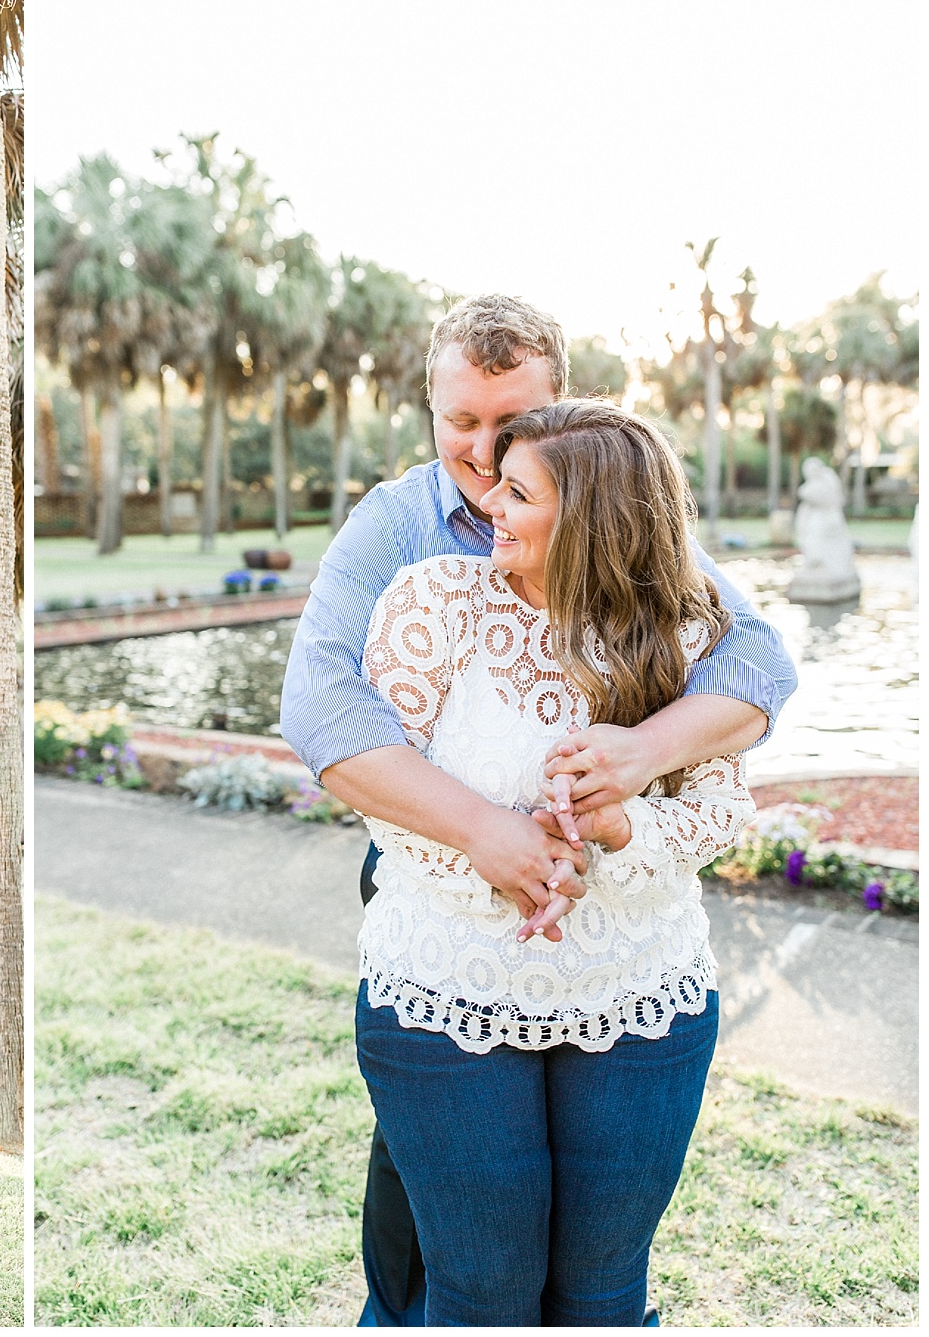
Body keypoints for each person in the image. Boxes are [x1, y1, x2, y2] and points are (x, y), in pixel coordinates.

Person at [278, 296, 797, 1324]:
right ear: (430, 408)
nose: (479, 454)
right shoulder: (401, 536)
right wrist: (487, 835)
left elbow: (757, 660)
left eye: (506, 428)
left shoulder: (621, 527)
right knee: (440, 1251)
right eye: (457, 422)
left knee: (596, 1279)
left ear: (565, 413)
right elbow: (325, 713)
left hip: (621, 958)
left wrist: (639, 756)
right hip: (445, 927)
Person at [352, 399, 755, 1324]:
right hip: (447, 991)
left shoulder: (692, 635)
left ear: (592, 518)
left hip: (641, 998)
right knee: (483, 1293)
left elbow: (722, 809)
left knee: (604, 1293)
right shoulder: (433, 602)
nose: (488, 501)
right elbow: (380, 786)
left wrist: (623, 831)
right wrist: (510, 859)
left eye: (518, 490)